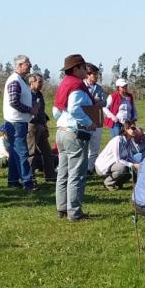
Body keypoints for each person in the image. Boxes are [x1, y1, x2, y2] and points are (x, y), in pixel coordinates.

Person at [53, 54, 96, 221]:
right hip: (74, 132)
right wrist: (89, 122)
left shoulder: (65, 84)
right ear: (76, 68)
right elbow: (75, 109)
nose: (86, 70)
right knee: (76, 174)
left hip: (62, 131)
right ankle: (75, 212)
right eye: (84, 67)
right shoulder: (77, 85)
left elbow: (57, 110)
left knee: (63, 172)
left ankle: (62, 208)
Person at [2, 54, 38, 191]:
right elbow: (14, 102)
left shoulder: (20, 80)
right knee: (22, 152)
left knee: (15, 152)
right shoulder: (15, 80)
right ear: (19, 65)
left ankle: (13, 181)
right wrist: (31, 110)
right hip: (16, 122)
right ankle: (27, 182)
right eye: (27, 63)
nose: (30, 65)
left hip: (18, 121)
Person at [95, 120, 142, 190]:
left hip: (115, 164)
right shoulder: (118, 140)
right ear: (126, 129)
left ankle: (118, 183)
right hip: (103, 166)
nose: (135, 130)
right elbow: (118, 159)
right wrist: (132, 165)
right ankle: (108, 183)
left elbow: (129, 156)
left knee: (131, 168)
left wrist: (137, 164)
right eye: (133, 128)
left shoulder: (129, 141)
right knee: (123, 168)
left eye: (135, 128)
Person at [27, 73, 57, 182]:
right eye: (39, 82)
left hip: (41, 126)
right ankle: (30, 177)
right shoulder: (27, 95)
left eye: (42, 82)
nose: (41, 84)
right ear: (32, 82)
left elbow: (42, 111)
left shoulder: (40, 95)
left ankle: (50, 176)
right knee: (32, 153)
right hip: (32, 126)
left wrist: (45, 126)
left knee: (48, 152)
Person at [82, 63, 107, 174]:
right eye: (94, 74)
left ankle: (89, 168)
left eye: (97, 74)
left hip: (97, 120)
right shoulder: (81, 87)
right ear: (88, 75)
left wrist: (95, 102)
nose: (96, 76)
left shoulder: (99, 88)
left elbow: (104, 102)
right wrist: (94, 101)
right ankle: (81, 168)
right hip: (84, 120)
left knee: (95, 146)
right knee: (83, 146)